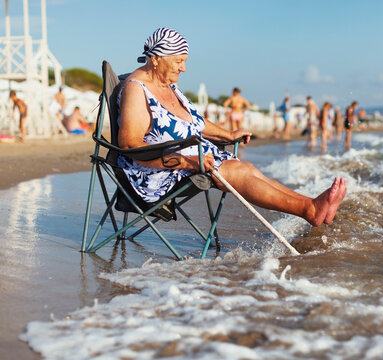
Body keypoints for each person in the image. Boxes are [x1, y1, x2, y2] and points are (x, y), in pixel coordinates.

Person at [118, 27, 347, 228]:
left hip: (192, 155)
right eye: (179, 61)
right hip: (155, 170)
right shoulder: (136, 89)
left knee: (246, 168)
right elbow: (131, 144)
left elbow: (194, 121)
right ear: (157, 58)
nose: (184, 68)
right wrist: (187, 161)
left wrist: (228, 134)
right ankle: (310, 210)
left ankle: (312, 204)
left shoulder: (168, 85)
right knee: (237, 172)